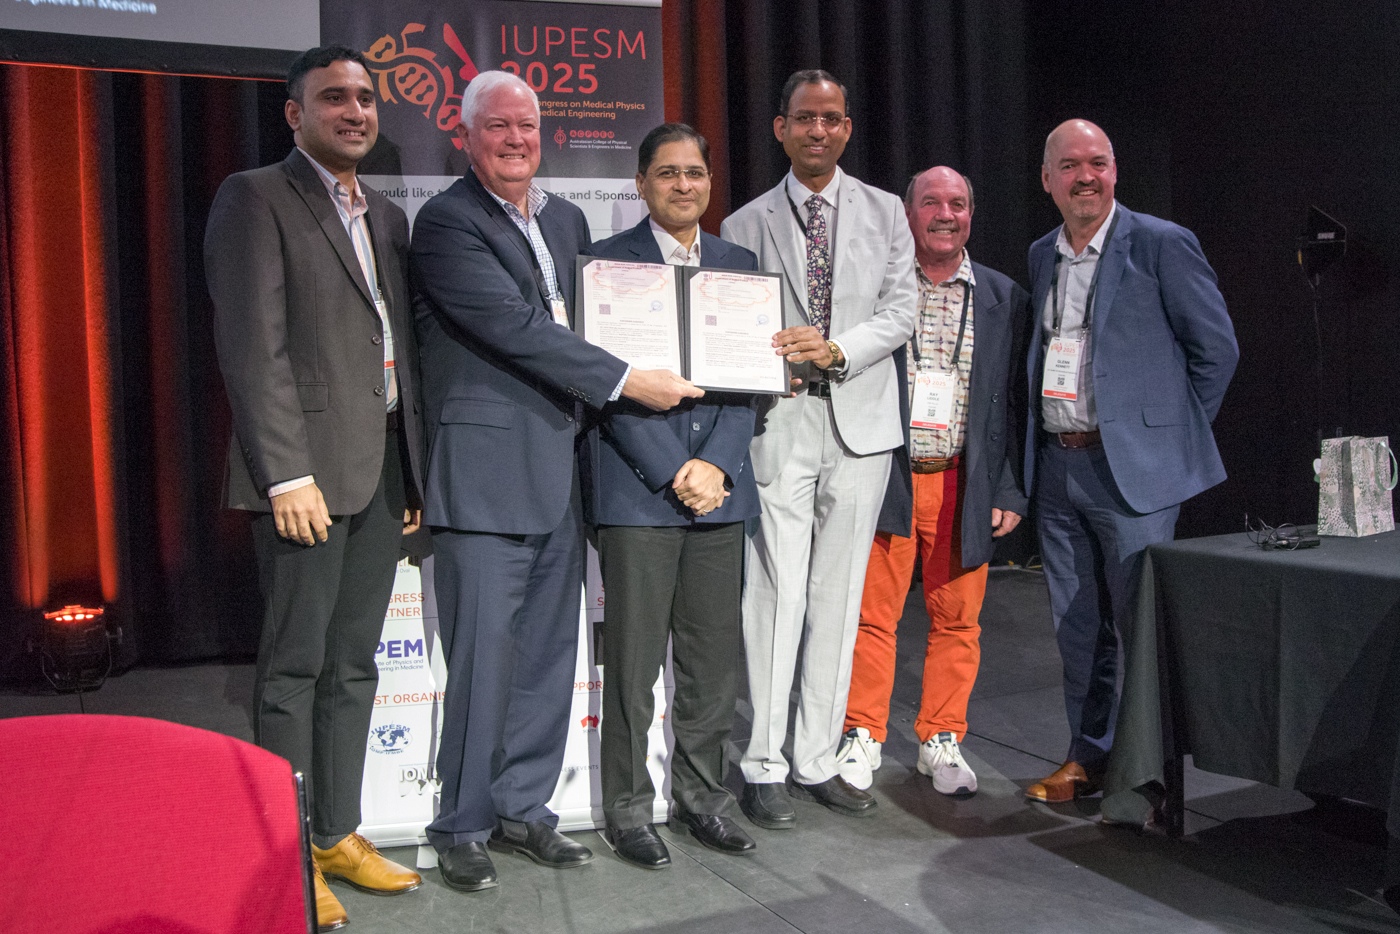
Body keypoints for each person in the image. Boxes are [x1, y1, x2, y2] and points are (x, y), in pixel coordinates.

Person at [409, 71, 701, 893]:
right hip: (484, 479)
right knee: (483, 666)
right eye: (498, 126)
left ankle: (524, 810)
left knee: (546, 659)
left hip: (560, 473)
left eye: (527, 126)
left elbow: (599, 314)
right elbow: (515, 327)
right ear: (466, 137)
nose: (515, 140)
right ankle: (462, 823)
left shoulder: (566, 219)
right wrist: (628, 379)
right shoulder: (447, 222)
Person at [204, 44, 425, 932]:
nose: (355, 111)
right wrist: (285, 473)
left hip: (380, 471)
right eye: (334, 98)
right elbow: (251, 348)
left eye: (365, 98)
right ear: (295, 114)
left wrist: (411, 472)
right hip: (303, 477)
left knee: (354, 664)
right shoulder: (255, 196)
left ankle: (336, 833)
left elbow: (393, 353)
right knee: (295, 667)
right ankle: (285, 850)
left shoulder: (388, 217)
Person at [720, 69, 917, 828]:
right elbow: (730, 324)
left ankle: (816, 757)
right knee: (775, 592)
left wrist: (835, 351)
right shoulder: (744, 223)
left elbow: (901, 310)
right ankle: (764, 763)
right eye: (805, 118)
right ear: (780, 128)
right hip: (782, 421)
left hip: (862, 424)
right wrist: (780, 354)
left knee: (839, 599)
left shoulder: (886, 210)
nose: (818, 131)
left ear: (847, 128)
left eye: (831, 118)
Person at [1024, 119, 1238, 803]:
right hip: (1059, 467)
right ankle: (1087, 758)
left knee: (1140, 630)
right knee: (1077, 629)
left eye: (1098, 162)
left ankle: (1148, 781)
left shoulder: (1161, 243)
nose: (1085, 176)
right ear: (1048, 179)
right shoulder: (1042, 254)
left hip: (1133, 475)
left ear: (1114, 171)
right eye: (1070, 165)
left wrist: (1164, 440)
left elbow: (1216, 351)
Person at [583, 123, 762, 869]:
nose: (683, 185)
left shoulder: (739, 265)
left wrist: (715, 465)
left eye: (694, 172)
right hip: (637, 494)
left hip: (720, 496)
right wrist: (672, 468)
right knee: (632, 666)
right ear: (640, 183)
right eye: (667, 173)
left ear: (710, 182)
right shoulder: (603, 264)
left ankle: (703, 800)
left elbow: (749, 385)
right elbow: (603, 386)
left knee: (711, 664)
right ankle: (628, 811)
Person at [836, 167, 1031, 797]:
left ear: (971, 214)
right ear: (907, 213)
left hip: (962, 484)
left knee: (958, 621)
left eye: (958, 203)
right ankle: (861, 732)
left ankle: (941, 738)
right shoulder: (879, 287)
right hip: (887, 474)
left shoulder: (1003, 295)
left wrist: (1008, 487)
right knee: (871, 618)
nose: (945, 214)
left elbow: (1015, 403)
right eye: (931, 202)